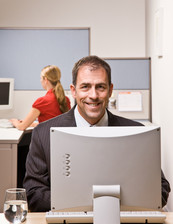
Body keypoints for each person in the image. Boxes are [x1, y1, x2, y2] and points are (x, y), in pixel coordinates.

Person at [23, 56, 171, 212]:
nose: (93, 95)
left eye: (100, 87)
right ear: (73, 91)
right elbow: (34, 193)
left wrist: (98, 206)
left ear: (110, 90)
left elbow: (159, 190)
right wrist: (95, 205)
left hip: (124, 223)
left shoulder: (137, 132)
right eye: (85, 86)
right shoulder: (43, 133)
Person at [10, 65, 71, 130]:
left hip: (45, 139)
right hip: (59, 139)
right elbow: (53, 125)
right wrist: (34, 124)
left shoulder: (42, 101)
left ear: (45, 80)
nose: (40, 80)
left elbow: (22, 127)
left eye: (41, 78)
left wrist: (15, 122)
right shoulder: (65, 99)